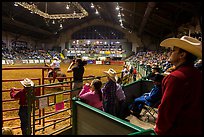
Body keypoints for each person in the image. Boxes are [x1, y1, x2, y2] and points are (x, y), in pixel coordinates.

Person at [154, 36, 202, 135]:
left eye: (173, 50)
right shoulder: (198, 74)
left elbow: (167, 111)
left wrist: (159, 131)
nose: (170, 53)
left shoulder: (175, 78)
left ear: (182, 55)